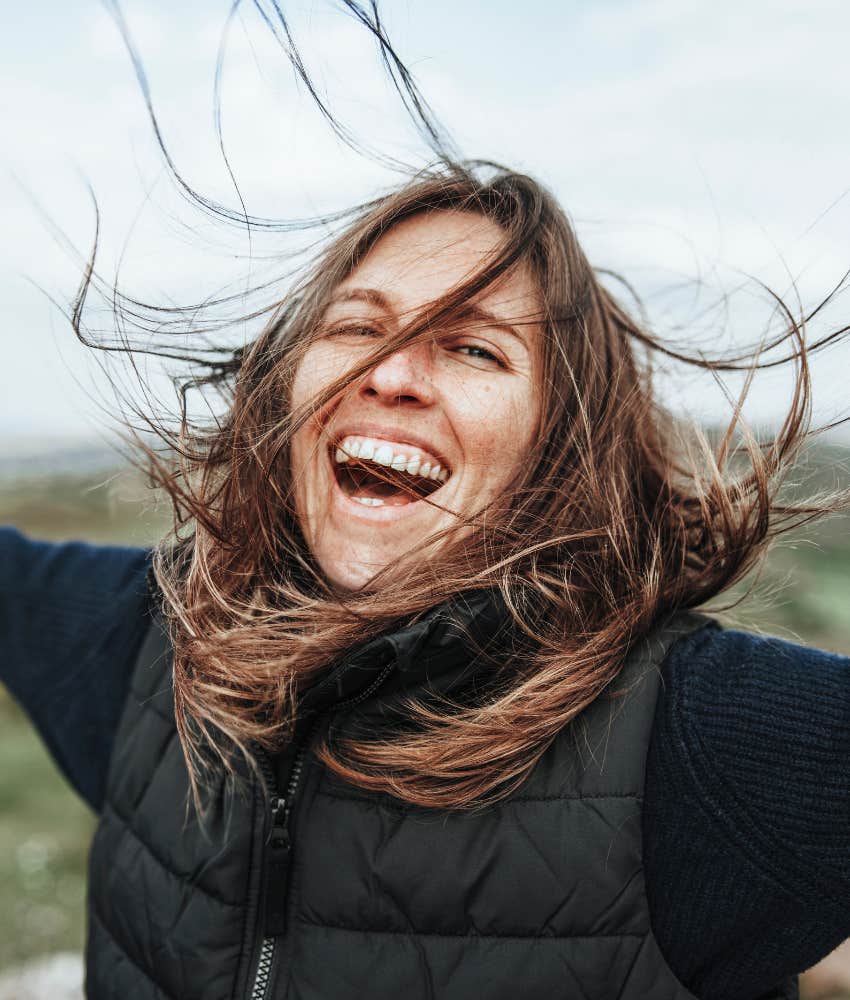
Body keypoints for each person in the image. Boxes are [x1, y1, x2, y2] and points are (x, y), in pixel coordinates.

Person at [3, 8, 850, 999]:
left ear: (560, 447)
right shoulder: (151, 637)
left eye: (474, 346)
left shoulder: (697, 731)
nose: (391, 372)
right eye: (355, 326)